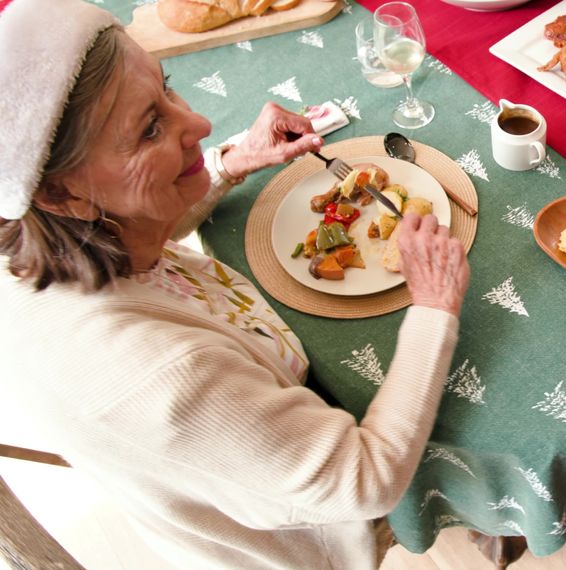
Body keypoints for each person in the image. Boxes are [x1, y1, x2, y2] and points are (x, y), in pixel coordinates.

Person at [0, 1, 470, 568]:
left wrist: (230, 164)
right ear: (59, 194)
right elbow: (365, 481)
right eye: (150, 127)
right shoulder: (161, 374)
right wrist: (434, 305)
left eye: (168, 89)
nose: (198, 124)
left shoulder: (39, 235)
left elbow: (125, 230)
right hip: (312, 537)